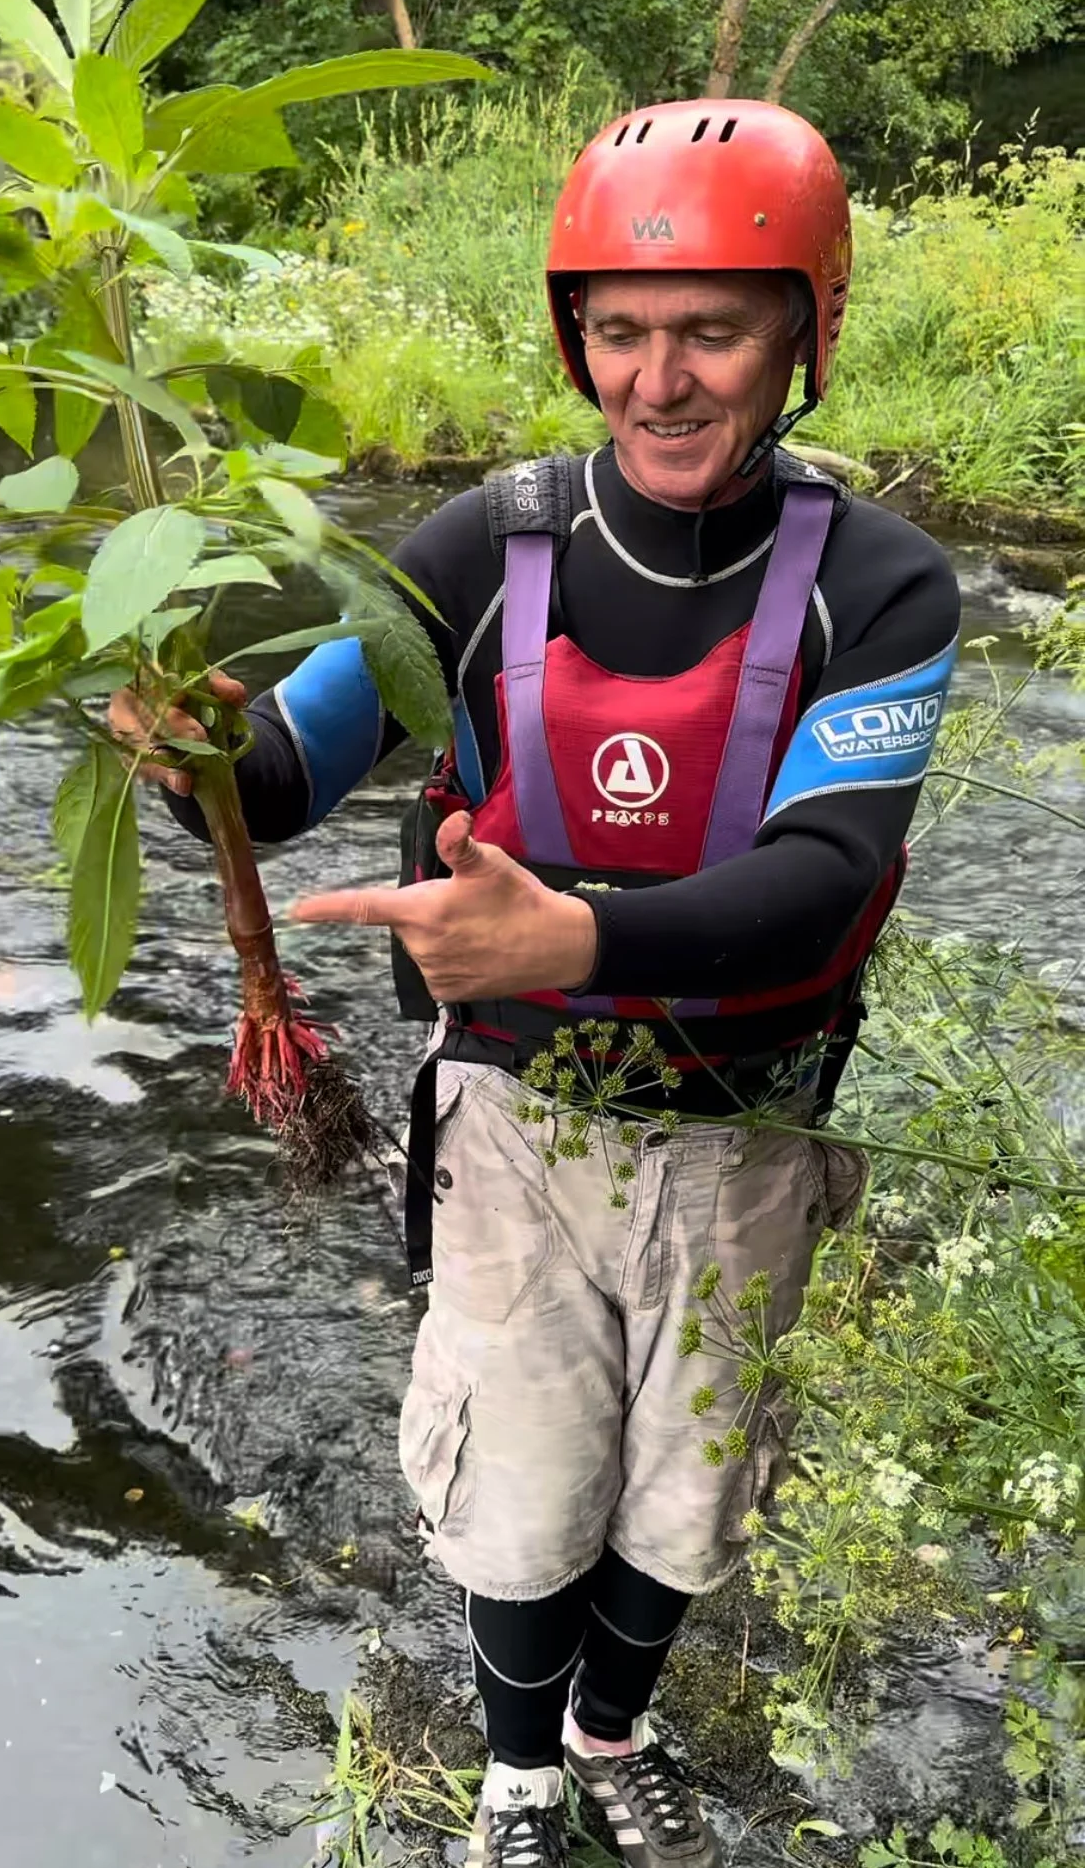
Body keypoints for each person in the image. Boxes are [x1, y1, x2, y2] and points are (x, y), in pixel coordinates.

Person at [111, 99, 961, 1868]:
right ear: (573, 336)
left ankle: (607, 1728)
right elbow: (285, 774)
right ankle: (516, 1776)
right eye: (618, 329)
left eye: (711, 328)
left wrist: (570, 936)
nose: (659, 379)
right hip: (512, 1116)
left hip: (743, 1127)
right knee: (521, 1481)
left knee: (685, 1492)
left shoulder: (882, 588)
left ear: (805, 328)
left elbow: (823, 879)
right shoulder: (475, 552)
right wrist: (188, 760)